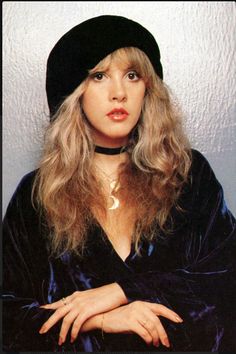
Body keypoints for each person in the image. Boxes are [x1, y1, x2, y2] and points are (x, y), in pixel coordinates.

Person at [3, 15, 236, 352]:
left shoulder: (188, 174)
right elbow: (7, 314)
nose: (119, 93)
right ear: (74, 94)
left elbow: (226, 275)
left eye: (132, 75)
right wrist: (97, 320)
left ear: (148, 88)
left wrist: (122, 290)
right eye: (99, 76)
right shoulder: (37, 194)